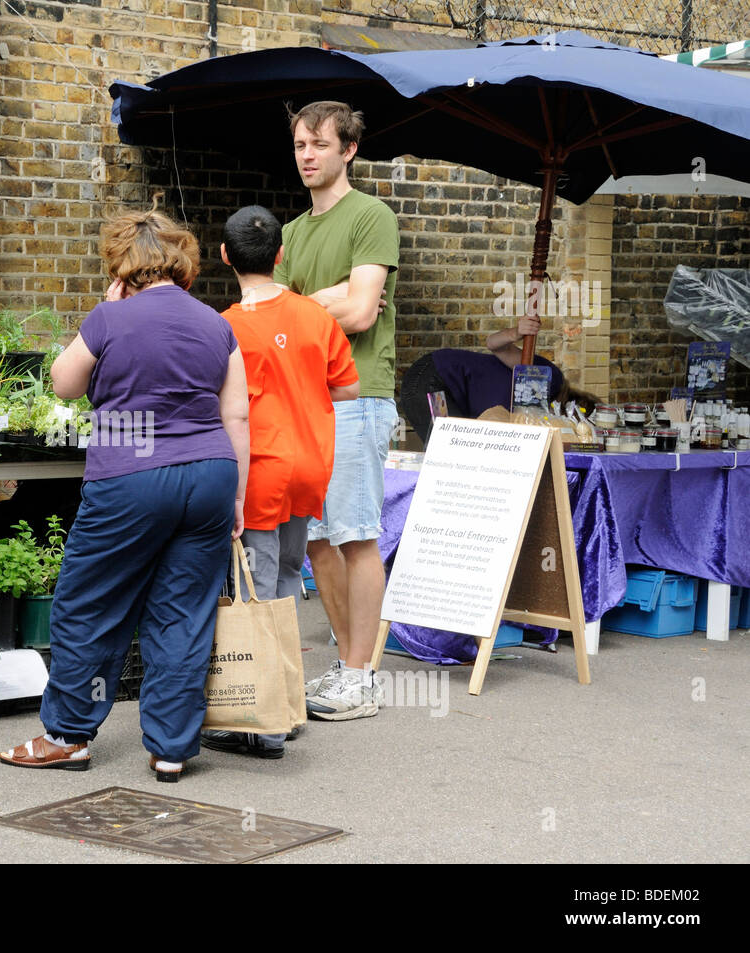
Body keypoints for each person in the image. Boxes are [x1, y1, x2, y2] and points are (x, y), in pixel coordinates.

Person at [0, 207, 250, 782]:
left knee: (91, 605)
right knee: (184, 613)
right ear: (181, 261)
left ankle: (67, 735)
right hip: (210, 473)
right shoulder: (217, 324)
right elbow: (236, 410)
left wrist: (106, 315)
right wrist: (237, 492)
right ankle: (171, 748)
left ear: (121, 266)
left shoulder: (112, 319)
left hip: (130, 477)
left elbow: (63, 383)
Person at [200, 205, 360, 760]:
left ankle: (265, 726)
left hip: (261, 469)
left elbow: (222, 407)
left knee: (258, 590)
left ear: (224, 257)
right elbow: (346, 389)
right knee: (291, 580)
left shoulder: (226, 327)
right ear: (281, 254)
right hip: (311, 461)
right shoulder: (316, 316)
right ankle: (287, 707)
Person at [274, 101, 399, 721]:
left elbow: (360, 311)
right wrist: (323, 303)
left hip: (356, 395)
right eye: (300, 144)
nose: (307, 155)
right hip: (305, 400)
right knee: (317, 541)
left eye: (319, 144)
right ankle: (349, 667)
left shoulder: (370, 215)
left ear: (348, 150)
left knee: (356, 536)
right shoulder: (292, 233)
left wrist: (311, 307)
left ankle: (363, 674)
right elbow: (281, 315)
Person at [400, 315, 598, 445]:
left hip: (435, 383)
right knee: (451, 446)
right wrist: (516, 332)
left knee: (457, 448)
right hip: (433, 380)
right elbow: (494, 344)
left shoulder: (533, 418)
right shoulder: (550, 379)